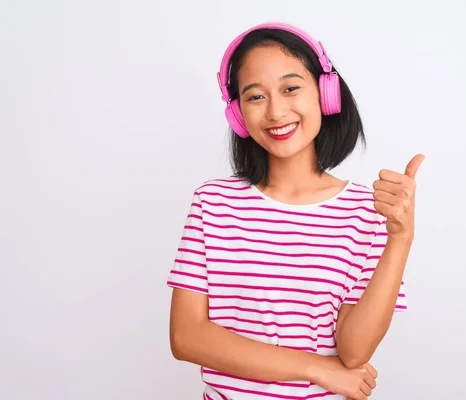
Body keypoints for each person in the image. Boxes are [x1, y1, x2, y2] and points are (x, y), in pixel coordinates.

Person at [166, 21, 424, 400]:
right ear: (238, 114)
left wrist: (400, 238)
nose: (275, 111)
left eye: (290, 88)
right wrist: (314, 366)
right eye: (255, 97)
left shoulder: (366, 214)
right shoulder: (213, 203)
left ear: (326, 94)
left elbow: (353, 353)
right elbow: (186, 337)